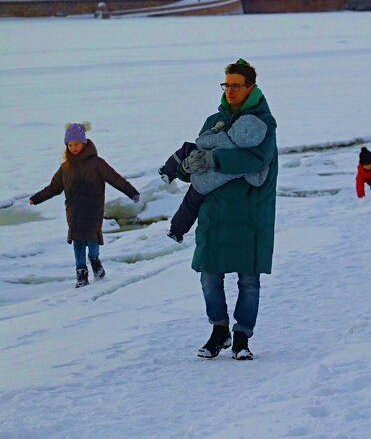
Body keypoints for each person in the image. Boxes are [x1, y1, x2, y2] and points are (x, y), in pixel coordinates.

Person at [162, 59, 277, 360]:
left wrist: (216, 160)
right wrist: (186, 167)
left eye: (236, 85)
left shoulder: (263, 125)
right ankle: (219, 331)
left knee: (248, 280)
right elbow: (199, 158)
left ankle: (242, 338)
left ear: (251, 87)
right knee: (209, 276)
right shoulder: (213, 120)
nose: (230, 90)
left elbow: (256, 161)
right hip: (214, 213)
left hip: (249, 213)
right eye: (226, 84)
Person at [29, 123, 140, 288]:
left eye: (76, 144)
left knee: (92, 241)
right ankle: (81, 273)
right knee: (78, 242)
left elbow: (115, 178)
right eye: (70, 144)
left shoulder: (97, 163)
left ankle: (95, 261)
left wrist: (132, 192)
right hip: (73, 212)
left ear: (84, 143)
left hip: (93, 211)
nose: (73, 147)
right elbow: (53, 188)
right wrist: (36, 198)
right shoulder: (65, 167)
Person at [162, 115, 271, 244]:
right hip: (206, 186)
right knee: (190, 205)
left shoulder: (223, 138)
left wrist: (215, 129)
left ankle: (167, 172)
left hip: (198, 167)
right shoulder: (245, 158)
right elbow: (257, 180)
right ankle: (176, 232)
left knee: (186, 148)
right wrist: (263, 167)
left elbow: (202, 141)